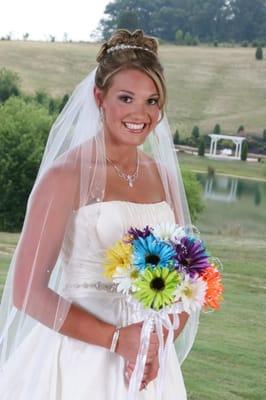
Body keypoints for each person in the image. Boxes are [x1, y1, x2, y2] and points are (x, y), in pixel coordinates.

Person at [0, 29, 199, 399]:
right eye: (126, 98)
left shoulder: (164, 178)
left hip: (149, 364)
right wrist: (117, 340)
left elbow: (185, 278)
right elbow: (27, 292)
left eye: (152, 101)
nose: (141, 114)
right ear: (99, 98)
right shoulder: (66, 176)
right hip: (80, 359)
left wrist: (158, 341)